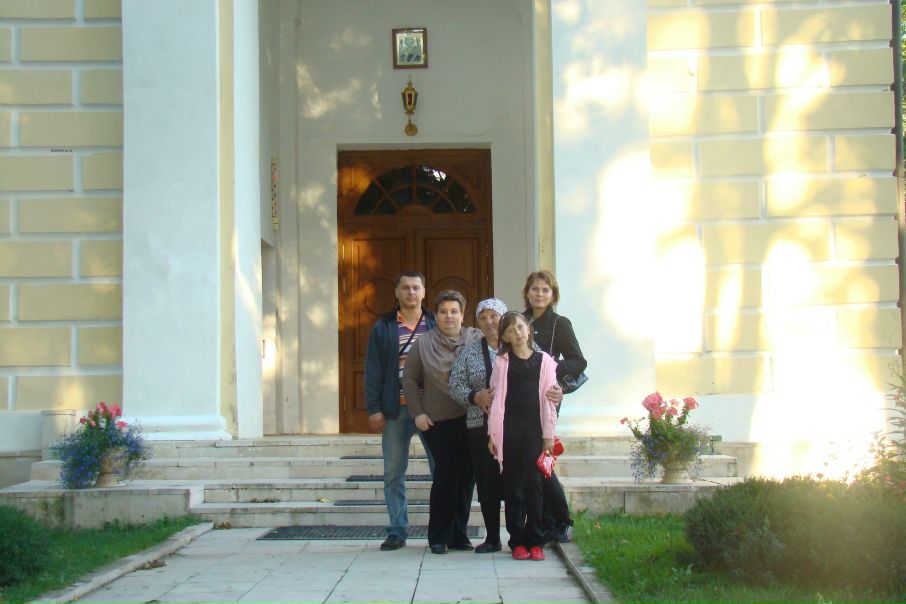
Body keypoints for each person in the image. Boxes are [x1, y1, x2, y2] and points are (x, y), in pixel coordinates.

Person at [448, 298, 563, 553]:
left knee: (528, 483)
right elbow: (456, 385)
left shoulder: (532, 349)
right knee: (490, 483)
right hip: (484, 427)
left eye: (494, 316)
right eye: (483, 317)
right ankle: (495, 538)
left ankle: (536, 535)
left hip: (528, 427)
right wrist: (475, 397)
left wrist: (558, 395)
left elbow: (547, 385)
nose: (489, 321)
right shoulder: (471, 352)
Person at [402, 290, 481, 554]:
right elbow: (409, 379)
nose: (449, 316)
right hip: (439, 421)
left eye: (454, 311)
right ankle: (438, 536)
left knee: (467, 478)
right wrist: (418, 413)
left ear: (463, 314)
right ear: (435, 316)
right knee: (446, 476)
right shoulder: (423, 343)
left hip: (473, 418)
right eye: (444, 311)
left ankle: (459, 534)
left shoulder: (476, 339)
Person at [365, 272, 437, 552]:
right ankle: (397, 530)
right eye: (405, 287)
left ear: (424, 291)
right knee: (394, 473)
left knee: (440, 471)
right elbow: (373, 369)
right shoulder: (383, 327)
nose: (411, 292)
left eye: (416, 287)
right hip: (395, 411)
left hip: (431, 410)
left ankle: (440, 529)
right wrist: (374, 408)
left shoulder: (435, 323)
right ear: (396, 292)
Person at [488, 311, 559, 561]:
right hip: (509, 428)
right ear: (505, 337)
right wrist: (493, 435)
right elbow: (496, 400)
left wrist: (548, 435)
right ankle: (517, 540)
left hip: (534, 429)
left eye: (520, 327)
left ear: (528, 329)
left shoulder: (545, 361)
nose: (516, 333)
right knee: (512, 485)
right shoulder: (502, 362)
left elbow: (550, 401)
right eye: (510, 330)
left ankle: (535, 540)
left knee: (534, 483)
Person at [522, 269, 587, 544]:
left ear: (553, 295)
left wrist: (551, 370)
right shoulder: (519, 320)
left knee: (540, 461)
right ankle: (545, 522)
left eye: (545, 290)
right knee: (531, 464)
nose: (539, 294)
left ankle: (562, 520)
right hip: (520, 401)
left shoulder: (560, 323)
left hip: (546, 399)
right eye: (535, 289)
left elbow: (578, 361)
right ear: (527, 292)